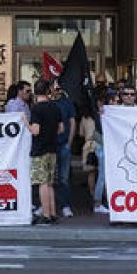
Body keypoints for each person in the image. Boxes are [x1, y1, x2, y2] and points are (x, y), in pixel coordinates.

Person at [27, 79, 63, 225]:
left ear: (35, 92)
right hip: (52, 148)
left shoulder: (36, 108)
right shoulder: (55, 107)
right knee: (49, 183)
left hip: (39, 149)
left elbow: (35, 131)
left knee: (42, 183)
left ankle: (46, 215)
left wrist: (25, 122)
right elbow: (61, 129)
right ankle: (53, 213)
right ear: (48, 91)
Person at [52, 81, 77, 219]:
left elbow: (73, 122)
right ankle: (45, 206)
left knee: (64, 177)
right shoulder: (47, 102)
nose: (57, 90)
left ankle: (65, 205)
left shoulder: (67, 102)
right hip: (50, 145)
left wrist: (69, 141)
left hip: (63, 144)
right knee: (48, 177)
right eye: (55, 88)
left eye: (59, 88)